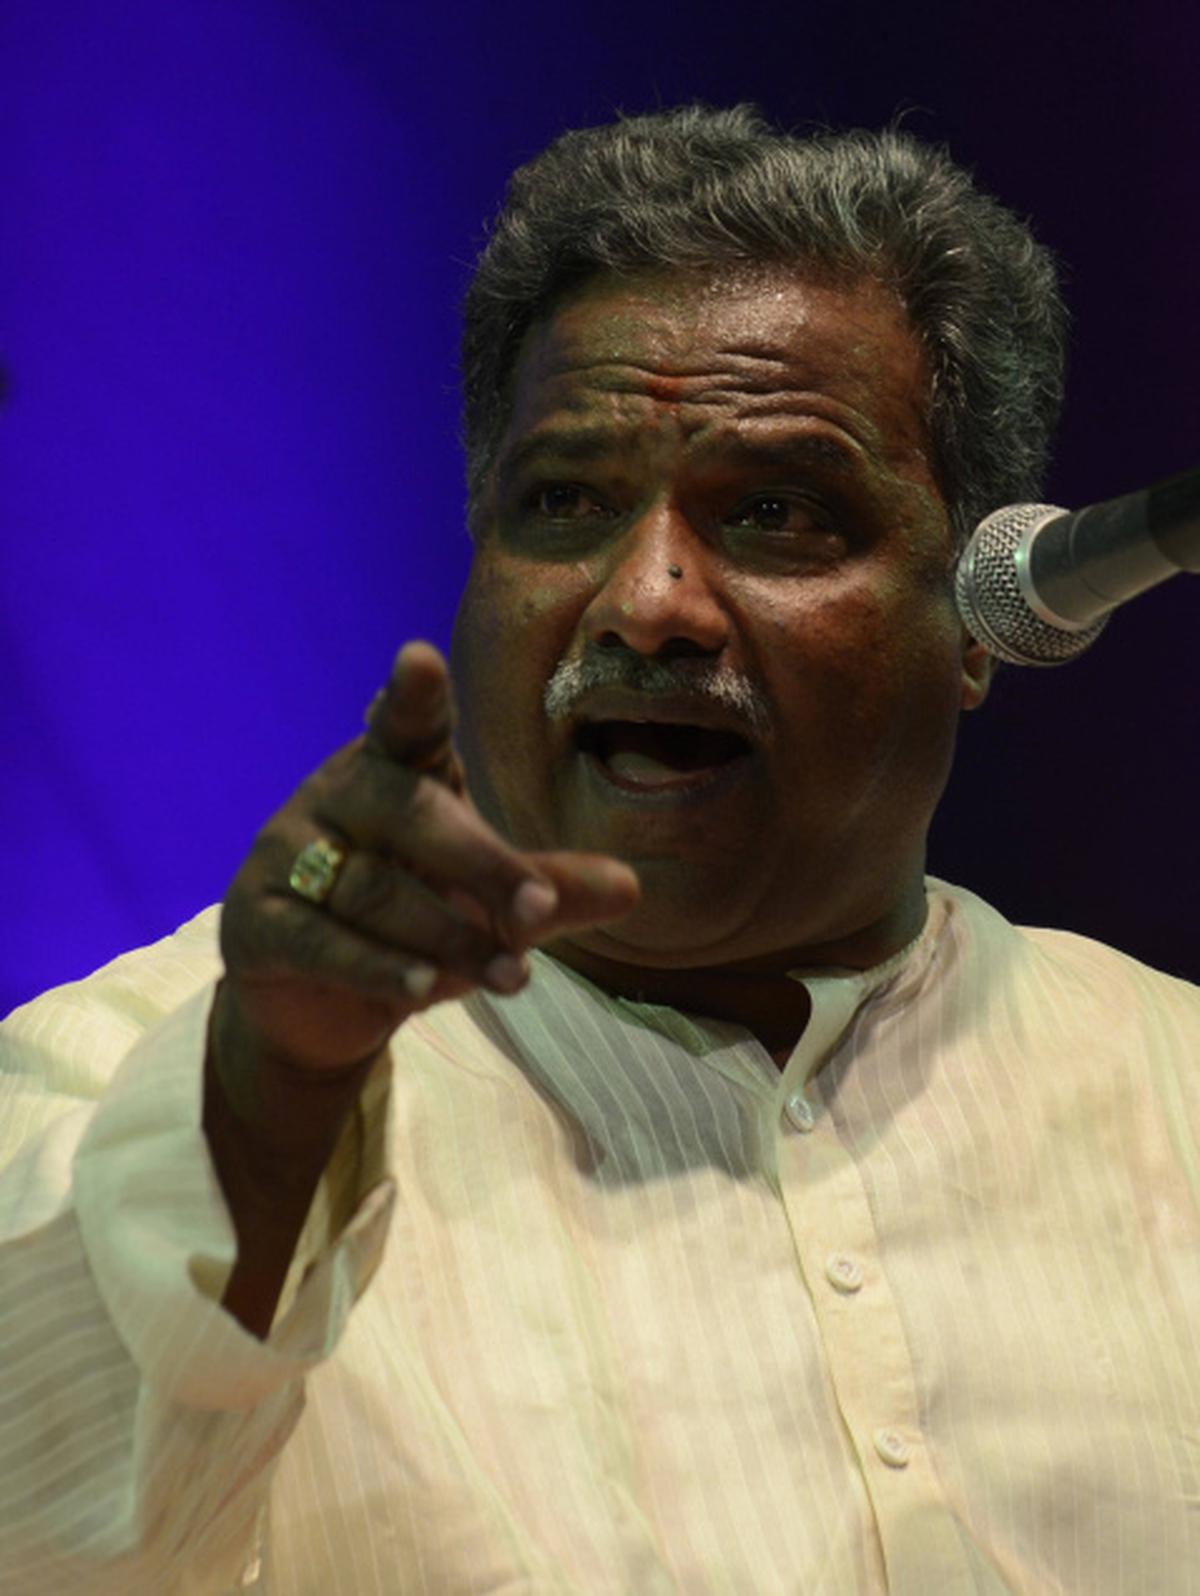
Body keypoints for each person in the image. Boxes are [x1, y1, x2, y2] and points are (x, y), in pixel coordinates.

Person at [1, 104, 1197, 1595]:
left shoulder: (1173, 1083)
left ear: (981, 616)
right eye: (565, 502)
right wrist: (262, 1117)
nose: (649, 602)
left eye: (777, 511)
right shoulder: (138, 1070)